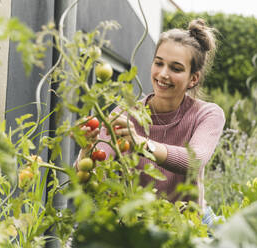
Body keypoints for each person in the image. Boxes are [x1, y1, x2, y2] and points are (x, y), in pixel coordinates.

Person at [77, 19, 225, 213]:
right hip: (137, 224)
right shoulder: (124, 115)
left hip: (188, 225)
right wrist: (87, 148)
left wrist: (141, 144)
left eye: (176, 68)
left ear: (193, 78)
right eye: (159, 63)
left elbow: (194, 160)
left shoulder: (206, 114)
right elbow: (94, 175)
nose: (163, 74)